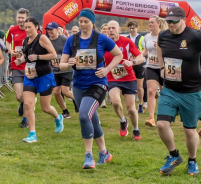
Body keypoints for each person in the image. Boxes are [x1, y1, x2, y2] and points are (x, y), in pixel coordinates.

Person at [153, 7, 201, 176]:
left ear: (183, 20)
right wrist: (161, 67)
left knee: (189, 130)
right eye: (168, 21)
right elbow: (159, 47)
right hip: (169, 89)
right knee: (161, 124)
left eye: (174, 21)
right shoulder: (163, 35)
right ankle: (174, 155)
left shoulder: (195, 36)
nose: (171, 24)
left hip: (191, 91)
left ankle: (192, 160)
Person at [59, 9, 123, 168]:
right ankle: (104, 153)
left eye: (86, 22)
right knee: (92, 118)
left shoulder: (101, 38)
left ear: (92, 22)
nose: (82, 24)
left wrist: (107, 69)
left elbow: (119, 55)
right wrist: (69, 63)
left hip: (98, 84)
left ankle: (88, 156)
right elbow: (61, 65)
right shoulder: (72, 40)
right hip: (79, 85)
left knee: (83, 115)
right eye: (80, 21)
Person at [19, 17, 63, 143]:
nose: (27, 30)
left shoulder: (42, 38)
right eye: (26, 28)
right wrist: (20, 60)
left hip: (44, 76)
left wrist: (38, 57)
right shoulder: (25, 40)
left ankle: (58, 117)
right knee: (28, 104)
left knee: (45, 107)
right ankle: (32, 134)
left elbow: (53, 55)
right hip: (30, 76)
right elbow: (27, 56)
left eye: (30, 27)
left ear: (36, 27)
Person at [105, 20, 144, 140]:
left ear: (119, 29)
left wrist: (132, 62)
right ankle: (123, 120)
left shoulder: (126, 42)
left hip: (128, 78)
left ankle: (136, 129)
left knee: (131, 108)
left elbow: (141, 57)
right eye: (109, 28)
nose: (111, 30)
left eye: (113, 28)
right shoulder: (104, 43)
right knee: (115, 102)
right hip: (112, 77)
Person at [141, 16, 167, 127]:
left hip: (164, 67)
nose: (150, 24)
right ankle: (151, 118)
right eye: (149, 22)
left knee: (164, 92)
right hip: (151, 67)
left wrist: (161, 48)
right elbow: (145, 52)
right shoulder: (147, 37)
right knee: (151, 91)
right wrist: (137, 56)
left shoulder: (165, 36)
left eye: (152, 22)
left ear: (158, 23)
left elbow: (171, 51)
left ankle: (164, 116)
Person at [6, 9, 30, 127]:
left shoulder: (31, 30)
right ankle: (21, 104)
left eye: (22, 18)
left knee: (26, 94)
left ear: (27, 18)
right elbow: (7, 42)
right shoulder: (12, 30)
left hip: (28, 66)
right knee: (18, 96)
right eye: (19, 17)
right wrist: (11, 51)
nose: (20, 20)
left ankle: (25, 120)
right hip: (16, 65)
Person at [46, 22, 74, 118]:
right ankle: (65, 111)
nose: (49, 31)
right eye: (48, 29)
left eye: (51, 29)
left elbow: (72, 51)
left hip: (66, 69)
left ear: (57, 30)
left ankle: (77, 100)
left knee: (65, 91)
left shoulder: (64, 40)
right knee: (56, 92)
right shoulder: (47, 41)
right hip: (54, 70)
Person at [126, 20, 146, 114]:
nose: (131, 30)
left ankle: (140, 104)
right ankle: (132, 106)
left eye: (133, 28)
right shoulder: (127, 38)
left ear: (137, 28)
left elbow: (145, 51)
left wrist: (137, 54)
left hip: (139, 64)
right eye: (130, 28)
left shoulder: (142, 38)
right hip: (129, 64)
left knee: (139, 86)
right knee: (130, 86)